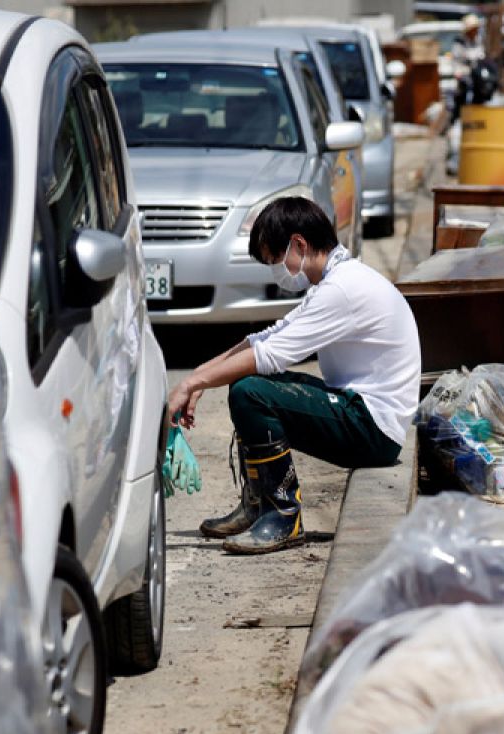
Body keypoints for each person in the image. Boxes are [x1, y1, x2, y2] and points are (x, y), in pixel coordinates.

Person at [166, 197, 421, 555]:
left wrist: (194, 384)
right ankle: (258, 505)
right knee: (245, 385)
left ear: (299, 244)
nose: (275, 270)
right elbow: (266, 338)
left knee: (251, 392)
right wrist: (197, 376)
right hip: (362, 412)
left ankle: (283, 515)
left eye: (275, 259)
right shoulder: (334, 281)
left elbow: (272, 355)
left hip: (373, 429)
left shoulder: (342, 290)